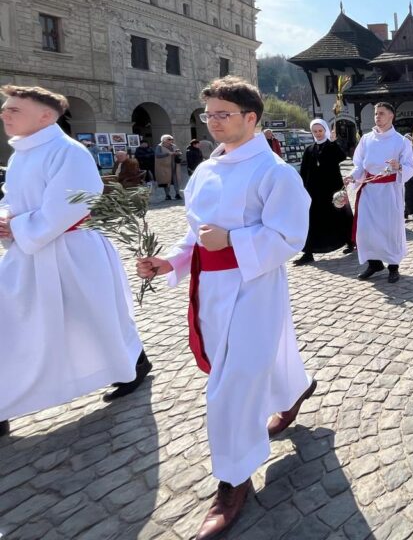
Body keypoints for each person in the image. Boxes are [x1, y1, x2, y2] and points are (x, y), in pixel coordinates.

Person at [135, 77, 315, 539]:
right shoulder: (206, 171)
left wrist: (234, 240)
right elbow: (195, 236)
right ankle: (293, 389)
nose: (213, 122)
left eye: (223, 114)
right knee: (255, 359)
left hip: (254, 287)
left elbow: (290, 237)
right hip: (210, 287)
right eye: (209, 115)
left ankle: (233, 478)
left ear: (250, 118)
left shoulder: (276, 173)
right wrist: (169, 261)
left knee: (231, 382)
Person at [0, 85, 149, 440]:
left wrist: (16, 226)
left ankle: (133, 363)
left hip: (71, 252)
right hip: (29, 253)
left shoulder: (69, 152)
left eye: (14, 109)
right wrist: (7, 219)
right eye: (5, 109)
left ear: (46, 116)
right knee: (12, 323)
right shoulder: (21, 154)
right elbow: (14, 199)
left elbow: (71, 205)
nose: (5, 114)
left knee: (94, 317)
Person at [346, 103, 413, 282]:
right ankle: (374, 264)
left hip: (389, 191)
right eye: (376, 114)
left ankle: (393, 267)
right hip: (369, 191)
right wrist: (352, 176)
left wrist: (399, 166)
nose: (377, 117)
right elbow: (360, 164)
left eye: (382, 114)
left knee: (389, 229)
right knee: (367, 230)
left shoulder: (401, 141)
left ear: (391, 115)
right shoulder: (366, 139)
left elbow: (411, 166)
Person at [294, 117, 354, 266]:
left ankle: (349, 241)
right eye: (315, 131)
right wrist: (301, 189)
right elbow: (304, 170)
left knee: (339, 215)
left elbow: (341, 157)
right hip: (314, 191)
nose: (318, 133)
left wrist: (334, 142)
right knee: (311, 220)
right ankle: (308, 252)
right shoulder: (309, 149)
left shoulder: (331, 146)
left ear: (325, 130)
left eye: (320, 131)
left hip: (332, 189)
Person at [154, 133, 183, 200]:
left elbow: (179, 152)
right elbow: (157, 155)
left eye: (171, 139)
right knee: (166, 180)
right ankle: (167, 195)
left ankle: (177, 194)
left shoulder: (173, 146)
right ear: (164, 140)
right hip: (164, 167)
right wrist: (168, 153)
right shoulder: (159, 147)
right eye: (169, 139)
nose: (171, 140)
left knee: (176, 180)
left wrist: (178, 153)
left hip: (174, 165)